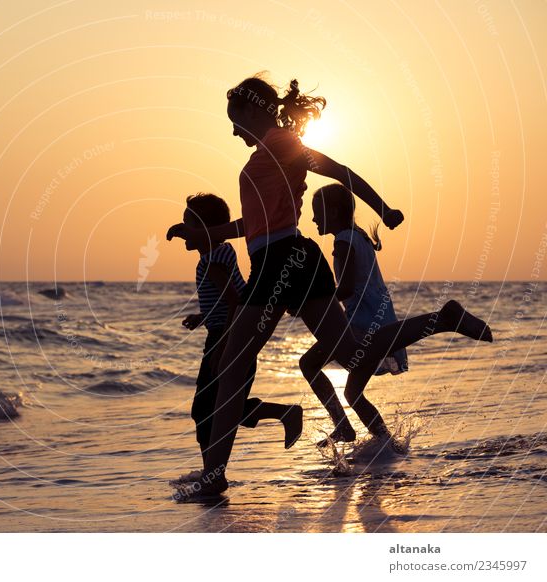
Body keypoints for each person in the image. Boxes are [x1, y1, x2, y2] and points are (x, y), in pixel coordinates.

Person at [167, 74, 493, 499]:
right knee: (351, 350)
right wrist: (211, 235)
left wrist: (383, 208)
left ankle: (214, 476)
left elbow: (340, 172)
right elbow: (254, 224)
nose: (232, 130)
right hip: (294, 260)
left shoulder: (280, 144)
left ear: (252, 110)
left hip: (280, 262)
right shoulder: (271, 152)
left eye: (235, 119)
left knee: (231, 367)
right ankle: (441, 319)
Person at [179, 193, 302, 482]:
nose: (183, 230)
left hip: (227, 337)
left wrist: (223, 344)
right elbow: (233, 297)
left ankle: (213, 474)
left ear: (205, 229)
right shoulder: (216, 256)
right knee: (219, 406)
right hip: (230, 333)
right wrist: (203, 317)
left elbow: (235, 302)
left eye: (188, 224)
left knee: (207, 409)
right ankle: (213, 471)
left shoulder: (212, 264)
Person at [302, 184, 408, 446]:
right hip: (377, 319)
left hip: (361, 324)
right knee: (353, 392)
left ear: (334, 212)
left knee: (309, 364)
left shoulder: (344, 240)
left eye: (318, 212)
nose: (313, 218)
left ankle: (346, 429)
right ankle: (388, 444)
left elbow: (347, 287)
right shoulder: (356, 236)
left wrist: (313, 302)